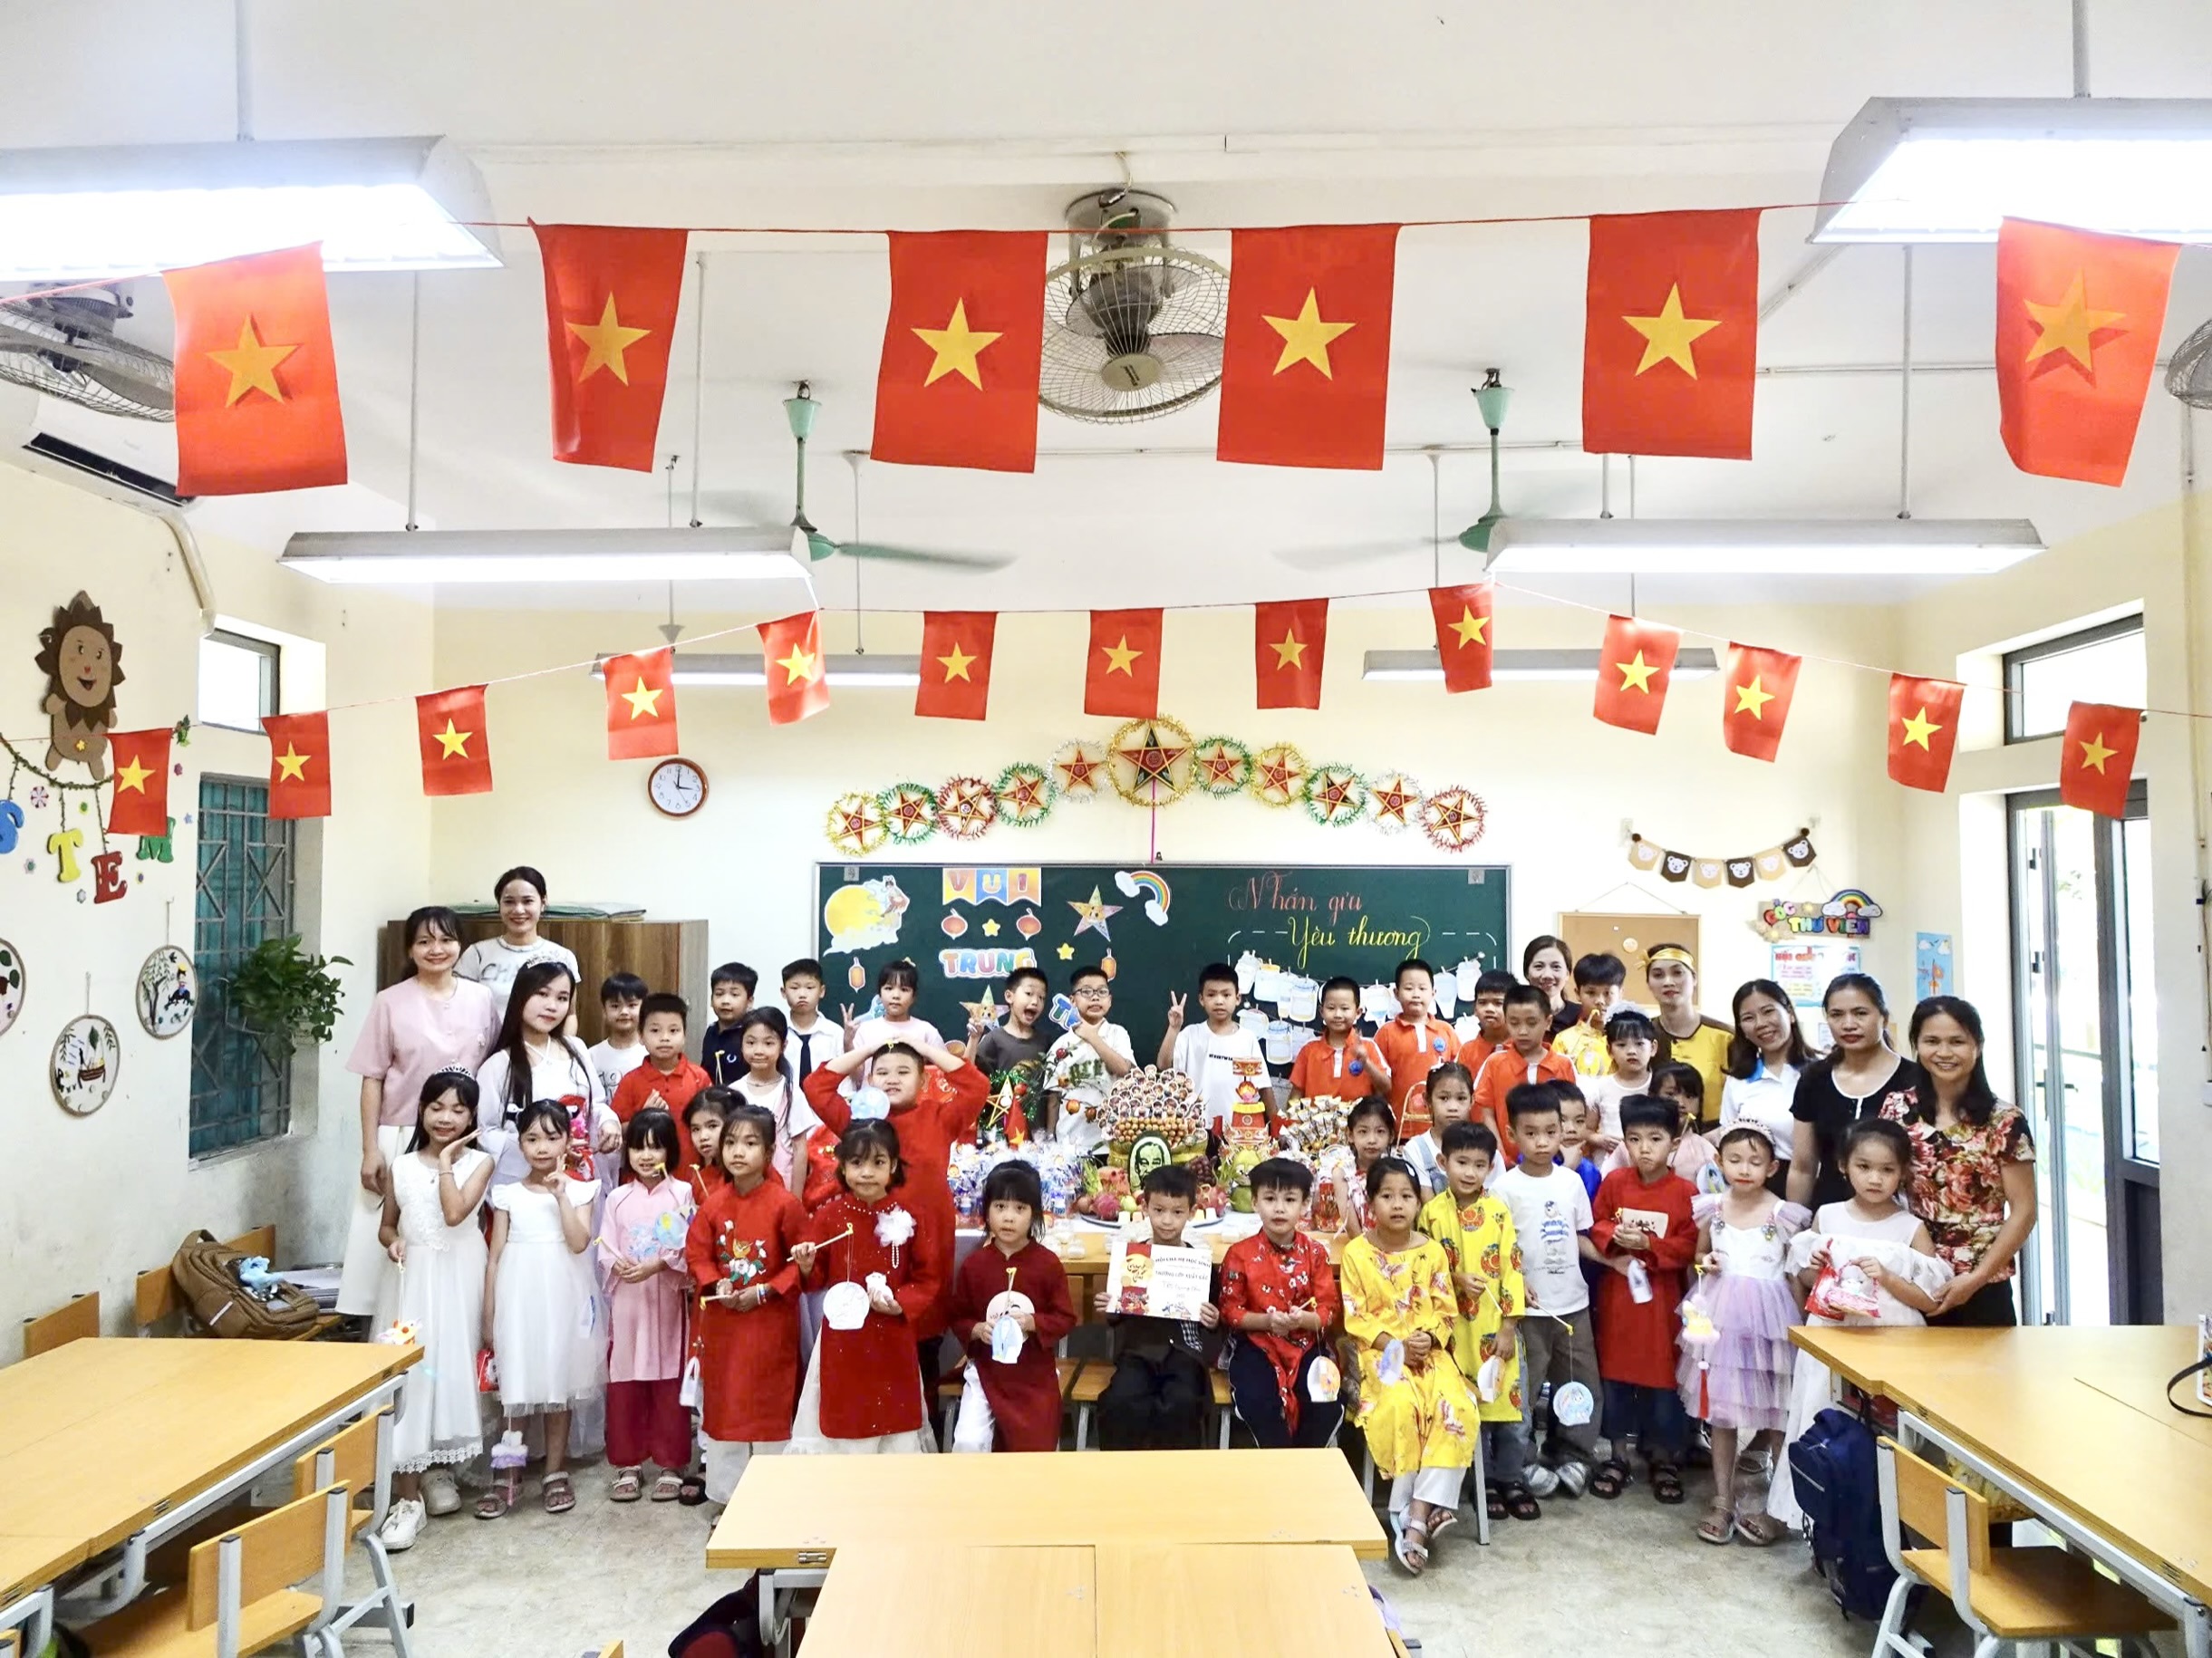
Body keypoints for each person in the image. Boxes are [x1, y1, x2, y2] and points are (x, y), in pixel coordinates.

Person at [1769, 1117, 1953, 1527]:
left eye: (1887, 1170)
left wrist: (1887, 1276)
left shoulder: (1910, 1227)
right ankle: (1821, 1522)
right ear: (1843, 1166)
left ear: (1903, 1173)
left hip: (1893, 1343)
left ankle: (1888, 1522)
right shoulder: (1828, 1216)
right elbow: (1806, 1278)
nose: (1875, 1178)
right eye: (1864, 1167)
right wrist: (1815, 1266)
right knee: (1822, 1416)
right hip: (1832, 1337)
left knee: (1887, 1432)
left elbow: (1930, 1299)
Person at [341, 905, 500, 1317]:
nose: (436, 949)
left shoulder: (481, 998)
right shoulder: (390, 1001)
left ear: (460, 946)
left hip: (463, 1137)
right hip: (400, 1132)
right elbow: (372, 1077)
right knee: (391, 1236)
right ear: (410, 949)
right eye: (425, 941)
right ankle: (388, 1325)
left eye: (446, 940)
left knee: (454, 1232)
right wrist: (370, 1149)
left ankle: (455, 1322)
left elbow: (493, 1064)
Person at [372, 1070, 494, 1549]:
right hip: (413, 1281)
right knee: (415, 1374)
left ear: (472, 1116)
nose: (446, 1118)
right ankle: (408, 1495)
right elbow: (387, 1225)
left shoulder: (480, 1162)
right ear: (421, 1109)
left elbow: (455, 1213)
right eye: (437, 1107)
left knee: (452, 1368)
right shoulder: (401, 1166)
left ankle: (441, 1468)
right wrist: (393, 1242)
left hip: (460, 1276)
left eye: (458, 1110)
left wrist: (445, 1162)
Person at [1342, 1157, 1478, 1575]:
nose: (1397, 1204)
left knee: (1456, 1405)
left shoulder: (1432, 1252)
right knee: (1402, 1403)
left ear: (1418, 1204)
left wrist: (1429, 1338)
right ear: (1371, 1203)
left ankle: (1414, 1511)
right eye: (1387, 1196)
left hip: (1429, 1352)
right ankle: (1418, 1512)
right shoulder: (1357, 1253)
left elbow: (1445, 1310)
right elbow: (1356, 1316)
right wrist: (1396, 1343)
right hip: (1381, 1354)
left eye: (1406, 1196)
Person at [1681, 1126, 1809, 1546]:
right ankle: (1723, 1498)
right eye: (1735, 1160)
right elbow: (1699, 1254)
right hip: (1723, 1322)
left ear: (1772, 1167)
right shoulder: (1713, 1208)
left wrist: (1800, 1329)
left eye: (1756, 1162)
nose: (1744, 1169)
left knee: (1778, 1418)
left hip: (1772, 1323)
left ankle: (1779, 1507)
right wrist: (1707, 1261)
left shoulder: (1783, 1214)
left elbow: (1794, 1272)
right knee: (1722, 1414)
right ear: (1719, 1162)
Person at [789, 1121, 945, 1454]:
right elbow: (816, 1279)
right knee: (843, 1412)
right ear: (843, 1166)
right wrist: (806, 1264)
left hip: (893, 1336)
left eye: (878, 1162)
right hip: (843, 1338)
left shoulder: (912, 1215)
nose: (867, 1172)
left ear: (893, 1165)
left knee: (893, 1417)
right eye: (857, 1162)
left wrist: (901, 1302)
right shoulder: (829, 1216)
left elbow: (928, 1277)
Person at [480, 1101, 604, 1518]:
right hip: (518, 1294)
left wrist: (561, 1195)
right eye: (532, 1138)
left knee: (558, 1383)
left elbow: (578, 1242)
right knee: (515, 1384)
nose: (542, 1147)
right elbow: (495, 1256)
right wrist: (489, 1312)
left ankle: (554, 1470)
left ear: (568, 1141)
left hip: (562, 1294)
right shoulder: (507, 1194)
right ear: (520, 1144)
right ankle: (507, 1473)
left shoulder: (581, 1190)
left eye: (552, 1137)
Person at [1886, 997, 2036, 1327]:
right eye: (1932, 1041)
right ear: (1916, 1045)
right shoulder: (1897, 1109)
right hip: (1911, 1275)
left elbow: (2024, 1211)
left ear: (1977, 1046)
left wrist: (1977, 1278)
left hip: (1983, 1285)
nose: (1944, 1052)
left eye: (1957, 1041)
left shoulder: (2005, 1120)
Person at [685, 1104, 807, 1502]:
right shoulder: (713, 1204)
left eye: (750, 1143)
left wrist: (765, 1290)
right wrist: (716, 1283)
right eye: (731, 1143)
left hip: (769, 1324)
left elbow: (800, 1264)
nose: (738, 1151)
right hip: (725, 1325)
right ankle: (728, 1498)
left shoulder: (785, 1204)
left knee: (769, 1408)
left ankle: (772, 1499)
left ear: (769, 1152)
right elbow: (697, 1254)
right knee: (727, 1408)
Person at [1415, 1123, 1530, 1521]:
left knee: (1510, 1411)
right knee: (1470, 1409)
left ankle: (1511, 1478)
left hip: (1496, 1328)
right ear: (1443, 1162)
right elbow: (1423, 1270)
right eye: (1461, 1162)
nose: (1469, 1172)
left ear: (1491, 1167)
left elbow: (1513, 1269)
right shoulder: (1431, 1214)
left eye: (1479, 1165)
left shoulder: (1498, 1212)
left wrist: (1509, 1328)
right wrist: (1455, 1278)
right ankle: (1479, 1483)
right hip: (1454, 1333)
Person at [1492, 1084, 1600, 1499]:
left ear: (1563, 1132)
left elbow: (1581, 1237)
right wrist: (1516, 1283)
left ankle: (1574, 1454)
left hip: (1573, 1303)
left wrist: (1614, 1262)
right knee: (1526, 1388)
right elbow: (1498, 1251)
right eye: (1531, 1133)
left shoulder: (1571, 1183)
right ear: (1511, 1134)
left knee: (1580, 1384)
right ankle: (1522, 1461)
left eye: (1551, 1132)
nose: (1542, 1142)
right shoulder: (1504, 1189)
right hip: (1529, 1312)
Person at [1588, 1094, 1697, 1506]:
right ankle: (1617, 1454)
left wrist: (1650, 1245)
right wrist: (1613, 1236)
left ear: (1674, 1142)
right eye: (1634, 1139)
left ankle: (1665, 1457)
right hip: (1619, 1299)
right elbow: (1596, 1222)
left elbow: (1689, 1245)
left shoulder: (1686, 1192)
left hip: (1663, 1305)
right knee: (1615, 1376)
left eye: (1655, 1139)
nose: (1644, 1149)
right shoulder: (1615, 1183)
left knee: (1664, 1380)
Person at [597, 1109, 695, 1502]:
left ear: (671, 1150)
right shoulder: (617, 1198)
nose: (647, 1156)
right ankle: (629, 1462)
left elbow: (689, 1245)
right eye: (639, 1147)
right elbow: (605, 1245)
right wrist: (616, 1263)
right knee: (626, 1378)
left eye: (656, 1147)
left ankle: (671, 1463)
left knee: (668, 1375)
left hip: (666, 1298)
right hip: (628, 1301)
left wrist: (659, 1264)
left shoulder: (682, 1193)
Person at [947, 1162, 1077, 1453]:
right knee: (969, 1441)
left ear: (1035, 1214)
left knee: (1035, 1443)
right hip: (986, 1370)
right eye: (1000, 1206)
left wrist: (1033, 1322)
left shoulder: (1047, 1264)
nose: (1008, 1217)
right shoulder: (974, 1265)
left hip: (1034, 1372)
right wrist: (977, 1329)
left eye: (1020, 1208)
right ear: (986, 1211)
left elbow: (1065, 1317)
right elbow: (958, 1316)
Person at [1095, 1162, 1222, 1449]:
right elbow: (1117, 1316)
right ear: (1145, 1208)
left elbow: (1215, 1319)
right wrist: (1110, 1306)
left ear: (1192, 1212)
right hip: (1137, 1352)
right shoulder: (1133, 1258)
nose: (1167, 1221)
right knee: (1121, 1401)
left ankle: (1174, 1474)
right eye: (1159, 1210)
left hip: (1184, 1353)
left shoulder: (1200, 1264)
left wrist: (1213, 1319)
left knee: (1182, 1403)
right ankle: (1123, 1472)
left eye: (1177, 1212)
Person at [1220, 1158, 1343, 1451]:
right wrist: (1267, 1322)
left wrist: (1303, 1320)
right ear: (1254, 1202)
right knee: (1259, 1400)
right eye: (1269, 1199)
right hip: (1256, 1343)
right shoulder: (1239, 1254)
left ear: (1305, 1205)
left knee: (1324, 1401)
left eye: (1289, 1200)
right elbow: (1230, 1311)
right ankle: (1277, 1466)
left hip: (1308, 1343)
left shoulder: (1316, 1253)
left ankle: (1304, 1467)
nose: (1279, 1208)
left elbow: (1328, 1309)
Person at [474, 960, 616, 1187]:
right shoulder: (497, 1065)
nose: (552, 1006)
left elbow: (595, 1104)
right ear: (521, 995)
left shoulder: (577, 1048)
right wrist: (545, 1145)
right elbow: (486, 1132)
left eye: (562, 998)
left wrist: (608, 1123)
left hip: (578, 1176)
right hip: (527, 1183)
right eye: (542, 994)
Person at [1787, 973, 1922, 1212]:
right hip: (1828, 1215)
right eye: (1837, 1015)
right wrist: (1794, 1224)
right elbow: (1803, 1167)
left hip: (1897, 1218)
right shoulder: (1814, 1078)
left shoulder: (1916, 1080)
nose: (1848, 1024)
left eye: (1860, 1013)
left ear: (1883, 1017)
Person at [1719, 979, 1812, 1192]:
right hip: (1752, 1187)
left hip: (1812, 1184)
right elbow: (1729, 1141)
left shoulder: (1819, 1072)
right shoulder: (1738, 1080)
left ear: (1790, 1013)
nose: (1760, 1023)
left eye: (1768, 1011)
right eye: (1748, 1018)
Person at [1160, 961, 1274, 1135]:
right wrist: (1174, 1028)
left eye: (1226, 995)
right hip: (1195, 1131)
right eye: (1211, 995)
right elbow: (1163, 1065)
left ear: (1237, 998)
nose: (1219, 1001)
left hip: (1238, 1132)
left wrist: (1277, 1129)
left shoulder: (1247, 1039)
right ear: (1201, 999)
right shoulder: (1190, 1034)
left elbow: (1264, 1087)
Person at [609, 993, 713, 1173]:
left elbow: (712, 1127)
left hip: (690, 1176)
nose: (665, 1038)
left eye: (673, 1031)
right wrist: (643, 1117)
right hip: (642, 1179)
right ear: (641, 1035)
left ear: (684, 1035)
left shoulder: (699, 1077)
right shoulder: (631, 1081)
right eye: (655, 1030)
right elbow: (617, 1132)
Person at [1471, 984, 1574, 1162]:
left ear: (1548, 1022)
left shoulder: (1563, 1065)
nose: (1523, 1031)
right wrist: (1501, 1157)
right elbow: (1485, 1113)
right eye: (1514, 1023)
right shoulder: (1494, 1063)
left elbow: (1571, 1115)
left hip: (1555, 1162)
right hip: (1505, 1163)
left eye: (1532, 1023)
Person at [1040, 963, 1135, 1153]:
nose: (1095, 997)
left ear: (1110, 1000)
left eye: (1102, 992)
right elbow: (1053, 1099)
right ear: (1072, 1000)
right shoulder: (1061, 1046)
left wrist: (1092, 1036)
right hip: (1070, 1144)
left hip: (1111, 1144)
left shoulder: (1117, 1034)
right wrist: (1050, 1141)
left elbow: (1124, 1069)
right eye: (1086, 992)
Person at [457, 866, 580, 1009]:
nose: (518, 910)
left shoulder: (562, 957)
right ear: (499, 905)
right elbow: (460, 1009)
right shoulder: (477, 954)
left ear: (543, 903)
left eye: (527, 901)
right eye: (509, 902)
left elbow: (570, 1015)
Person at [1642, 945, 1731, 1128]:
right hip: (1654, 1136)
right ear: (1649, 983)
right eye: (1658, 975)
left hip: (1716, 1136)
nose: (1668, 982)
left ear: (1694, 978)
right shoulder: (1641, 1036)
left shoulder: (1725, 1037)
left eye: (1677, 973)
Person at [729, 1007, 819, 1187]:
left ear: (783, 1046)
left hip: (781, 1187)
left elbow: (800, 1149)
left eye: (768, 1043)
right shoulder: (734, 1092)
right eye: (751, 1042)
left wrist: (796, 1197)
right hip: (741, 1186)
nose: (758, 1051)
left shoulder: (791, 1094)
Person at [1375, 959, 1459, 1142]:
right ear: (1396, 993)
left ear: (1433, 993)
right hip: (1398, 1130)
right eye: (1409, 988)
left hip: (1443, 1129)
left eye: (1422, 988)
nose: (1416, 994)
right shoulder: (1386, 1033)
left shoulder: (1446, 1031)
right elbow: (1377, 1085)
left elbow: (1459, 1077)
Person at [1607, 1065, 1719, 1190]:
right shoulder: (1632, 1144)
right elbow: (1608, 1183)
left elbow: (1714, 1195)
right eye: (1670, 1094)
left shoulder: (1704, 1150)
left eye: (1689, 1096)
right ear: (1652, 1096)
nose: (1681, 1103)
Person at [1287, 975, 1391, 1108]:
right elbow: (1296, 1094)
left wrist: (1366, 1062)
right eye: (1331, 1008)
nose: (1337, 1015)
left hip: (1357, 1120)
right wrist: (1289, 1117)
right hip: (1315, 1120)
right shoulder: (1309, 1050)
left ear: (1358, 1012)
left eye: (1345, 1008)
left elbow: (1386, 1088)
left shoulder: (1368, 1047)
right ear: (1321, 1011)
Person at [1315, 1097, 1396, 1236]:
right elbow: (1352, 1228)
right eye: (1363, 1132)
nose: (1372, 1140)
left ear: (1391, 1136)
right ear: (1350, 1135)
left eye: (1380, 1131)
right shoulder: (1341, 1174)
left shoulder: (1397, 1173)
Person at [1583, 1008, 1657, 1159]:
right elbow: (1585, 1129)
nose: (1631, 1051)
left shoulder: (1659, 1086)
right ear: (1609, 1050)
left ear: (1653, 1048)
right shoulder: (1599, 1087)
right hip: (1607, 1163)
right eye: (1622, 1045)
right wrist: (1599, 1139)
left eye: (1639, 1044)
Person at [1401, 1059, 1473, 1199]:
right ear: (1427, 1100)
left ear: (1472, 1100)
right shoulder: (1416, 1149)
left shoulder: (1486, 1147)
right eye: (1444, 1098)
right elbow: (1427, 1204)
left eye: (1461, 1098)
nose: (1453, 1107)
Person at [1550, 952, 1626, 1084]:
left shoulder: (1629, 1038)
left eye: (1608, 993)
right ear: (1578, 994)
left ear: (1620, 994)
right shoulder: (1564, 1040)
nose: (1600, 1001)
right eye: (1591, 993)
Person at [848, 959, 943, 1053]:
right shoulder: (865, 1030)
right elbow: (854, 1063)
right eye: (889, 988)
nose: (896, 996)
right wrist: (847, 1042)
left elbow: (945, 1062)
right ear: (879, 995)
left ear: (913, 996)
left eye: (904, 989)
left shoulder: (927, 1031)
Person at [586, 972, 651, 1104]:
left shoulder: (651, 1053)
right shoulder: (591, 1056)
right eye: (615, 1006)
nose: (624, 1012)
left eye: (632, 1005)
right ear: (604, 1011)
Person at [779, 958, 844, 1084]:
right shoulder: (777, 1031)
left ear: (822, 991)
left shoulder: (835, 1033)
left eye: (809, 987)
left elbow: (844, 1080)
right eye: (794, 988)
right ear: (784, 992)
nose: (802, 994)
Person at [700, 962, 758, 1087]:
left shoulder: (752, 1035)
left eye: (734, 995)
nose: (725, 1001)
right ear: (711, 1000)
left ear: (749, 1001)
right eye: (719, 994)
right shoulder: (711, 1031)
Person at [1453, 969, 1514, 1070]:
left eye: (1498, 1003)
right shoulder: (1467, 1052)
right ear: (1475, 1009)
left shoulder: (1524, 1048)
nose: (1489, 1009)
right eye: (1482, 1002)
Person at [1522, 934, 1580, 1039]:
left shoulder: (1581, 1016)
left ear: (1567, 974)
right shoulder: (1516, 1014)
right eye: (1539, 966)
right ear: (1527, 973)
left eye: (1556, 967)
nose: (1547, 975)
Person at [1555, 1085, 1603, 1202]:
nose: (1572, 1129)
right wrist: (1568, 1168)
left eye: (1579, 1121)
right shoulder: (1531, 1163)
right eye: (1562, 1120)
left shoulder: (1591, 1172)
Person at [681, 1090, 729, 1203]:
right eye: (696, 1129)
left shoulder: (750, 1175)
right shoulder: (701, 1180)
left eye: (712, 1126)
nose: (703, 1137)